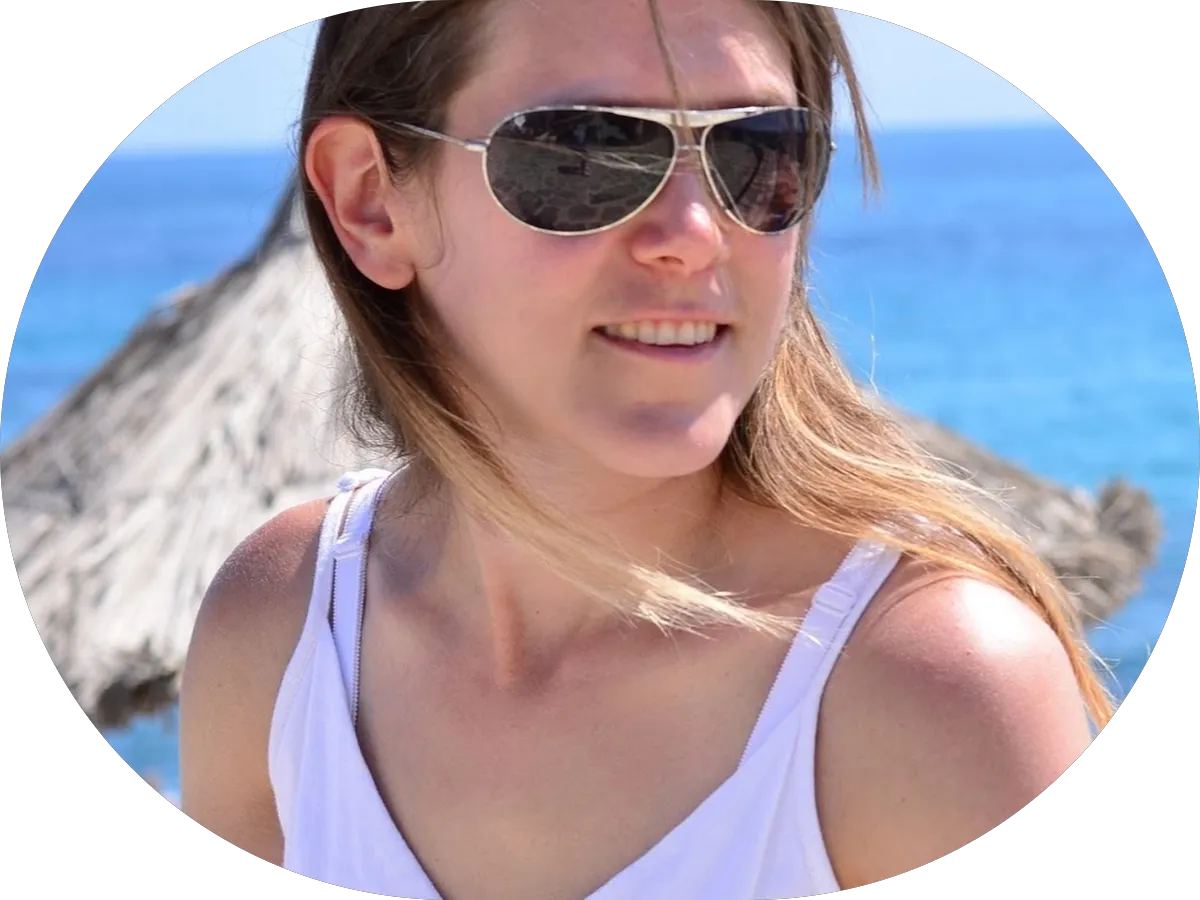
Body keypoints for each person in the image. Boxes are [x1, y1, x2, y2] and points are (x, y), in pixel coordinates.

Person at [179, 2, 1109, 898]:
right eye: (586, 152)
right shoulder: (284, 630)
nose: (695, 238)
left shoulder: (931, 694)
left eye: (758, 152)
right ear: (371, 201)